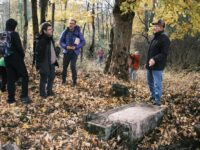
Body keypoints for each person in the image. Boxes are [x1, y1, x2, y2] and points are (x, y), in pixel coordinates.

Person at [4, 18, 31, 104]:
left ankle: (10, 99)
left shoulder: (2, 34)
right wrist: (22, 56)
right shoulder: (14, 34)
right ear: (14, 26)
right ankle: (24, 97)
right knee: (25, 76)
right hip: (16, 58)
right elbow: (19, 47)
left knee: (10, 78)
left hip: (6, 58)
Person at [145, 19, 171, 106]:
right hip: (150, 65)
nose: (155, 28)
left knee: (157, 84)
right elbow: (150, 52)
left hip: (158, 66)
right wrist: (147, 62)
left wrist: (154, 59)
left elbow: (164, 54)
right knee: (150, 82)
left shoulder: (165, 38)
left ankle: (157, 101)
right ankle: (152, 96)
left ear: (162, 28)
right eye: (154, 26)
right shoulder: (154, 38)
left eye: (157, 26)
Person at [36, 22, 59, 99]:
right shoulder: (41, 40)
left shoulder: (50, 38)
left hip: (52, 62)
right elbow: (38, 54)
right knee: (43, 78)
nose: (51, 30)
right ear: (44, 31)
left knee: (52, 77)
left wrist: (57, 51)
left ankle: (49, 91)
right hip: (44, 63)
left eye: (51, 29)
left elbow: (52, 50)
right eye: (49, 29)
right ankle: (43, 94)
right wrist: (39, 65)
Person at [60, 19, 86, 86]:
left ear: (75, 25)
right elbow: (61, 41)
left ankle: (74, 82)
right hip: (66, 51)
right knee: (64, 67)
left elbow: (83, 42)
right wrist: (66, 46)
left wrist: (76, 47)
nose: (71, 24)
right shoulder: (65, 32)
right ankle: (63, 81)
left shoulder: (78, 33)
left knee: (72, 66)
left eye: (72, 23)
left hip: (74, 52)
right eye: (70, 23)